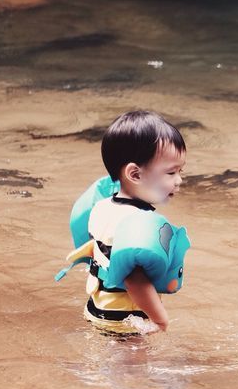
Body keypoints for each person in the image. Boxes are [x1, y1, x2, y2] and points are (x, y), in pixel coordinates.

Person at [55, 111, 191, 335]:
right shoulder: (135, 224)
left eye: (180, 171)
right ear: (135, 174)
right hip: (123, 318)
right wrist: (160, 320)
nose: (179, 180)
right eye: (171, 172)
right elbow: (134, 280)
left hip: (99, 306)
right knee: (132, 370)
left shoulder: (103, 207)